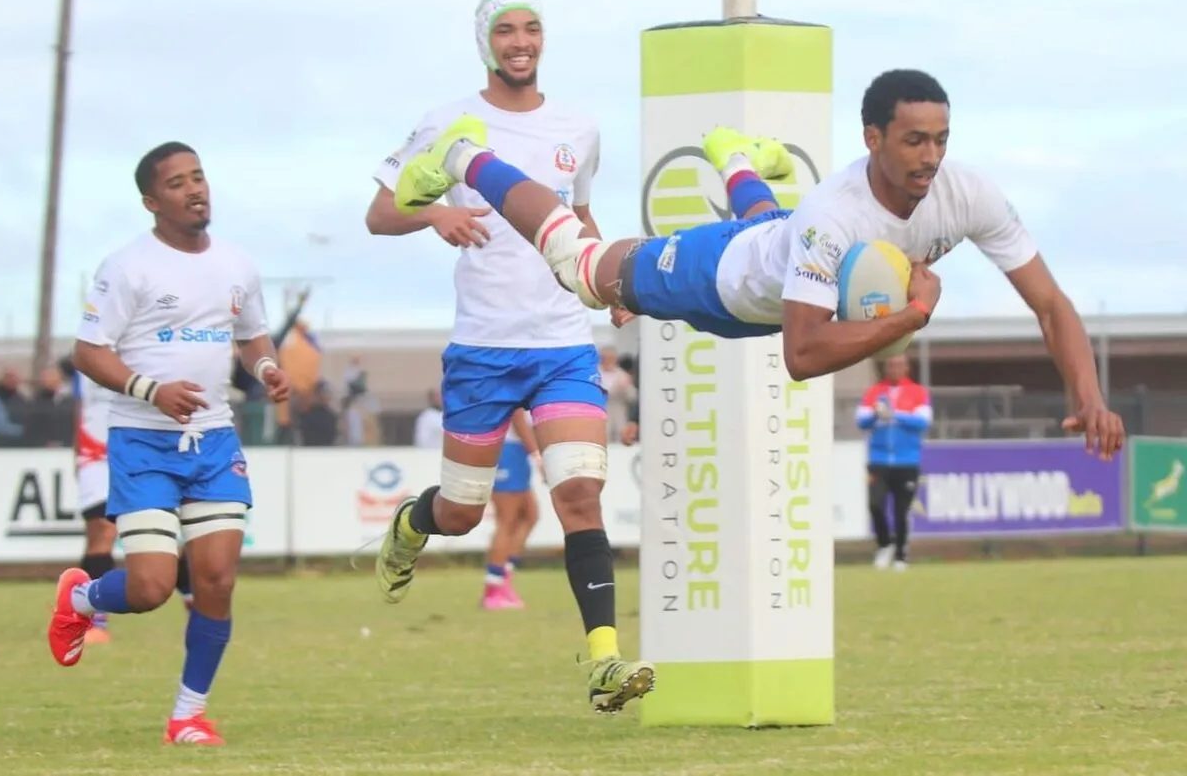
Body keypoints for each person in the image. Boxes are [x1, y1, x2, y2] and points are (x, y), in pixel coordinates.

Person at [392, 68, 1124, 461]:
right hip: (723, 275)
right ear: (872, 138)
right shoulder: (834, 215)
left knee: (772, 229)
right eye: (913, 141)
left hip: (780, 252)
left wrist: (1088, 393)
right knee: (582, 270)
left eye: (940, 139)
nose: (930, 157)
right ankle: (466, 154)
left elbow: (1051, 303)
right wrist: (912, 315)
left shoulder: (967, 193)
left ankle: (734, 154)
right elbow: (802, 354)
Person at [365, 0, 653, 713]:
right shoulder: (449, 123)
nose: (520, 41)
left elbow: (576, 213)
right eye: (506, 30)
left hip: (561, 341)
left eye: (531, 29)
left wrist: (607, 276)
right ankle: (409, 525)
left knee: (580, 492)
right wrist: (436, 213)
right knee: (462, 512)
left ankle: (605, 661)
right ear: (485, 42)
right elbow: (379, 211)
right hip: (484, 349)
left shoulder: (578, 127)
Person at [46, 141, 290, 746]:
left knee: (217, 580)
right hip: (144, 441)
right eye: (178, 183)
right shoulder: (127, 267)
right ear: (153, 202)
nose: (195, 189)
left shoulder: (238, 264)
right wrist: (149, 389)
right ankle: (82, 596)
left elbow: (254, 338)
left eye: (199, 177)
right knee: (153, 586)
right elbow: (87, 352)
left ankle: (188, 714)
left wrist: (265, 372)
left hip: (213, 442)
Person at [72, 358, 198, 647]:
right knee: (101, 532)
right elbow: (80, 407)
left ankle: (195, 603)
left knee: (160, 538)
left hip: (140, 447)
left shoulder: (148, 343)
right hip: (96, 453)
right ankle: (94, 622)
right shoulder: (90, 346)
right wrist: (76, 454)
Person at [855, 354, 931, 570]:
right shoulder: (874, 393)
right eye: (891, 365)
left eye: (899, 365)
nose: (895, 368)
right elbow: (861, 420)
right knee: (875, 504)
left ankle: (901, 555)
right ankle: (884, 544)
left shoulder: (917, 393)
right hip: (878, 460)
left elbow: (922, 421)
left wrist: (895, 415)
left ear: (906, 368)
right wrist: (877, 416)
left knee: (901, 510)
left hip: (907, 461)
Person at [482, 409, 541, 610]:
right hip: (507, 448)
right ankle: (493, 590)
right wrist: (536, 453)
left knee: (530, 515)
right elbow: (517, 414)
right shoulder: (514, 378)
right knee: (507, 520)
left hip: (515, 450)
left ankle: (504, 577)